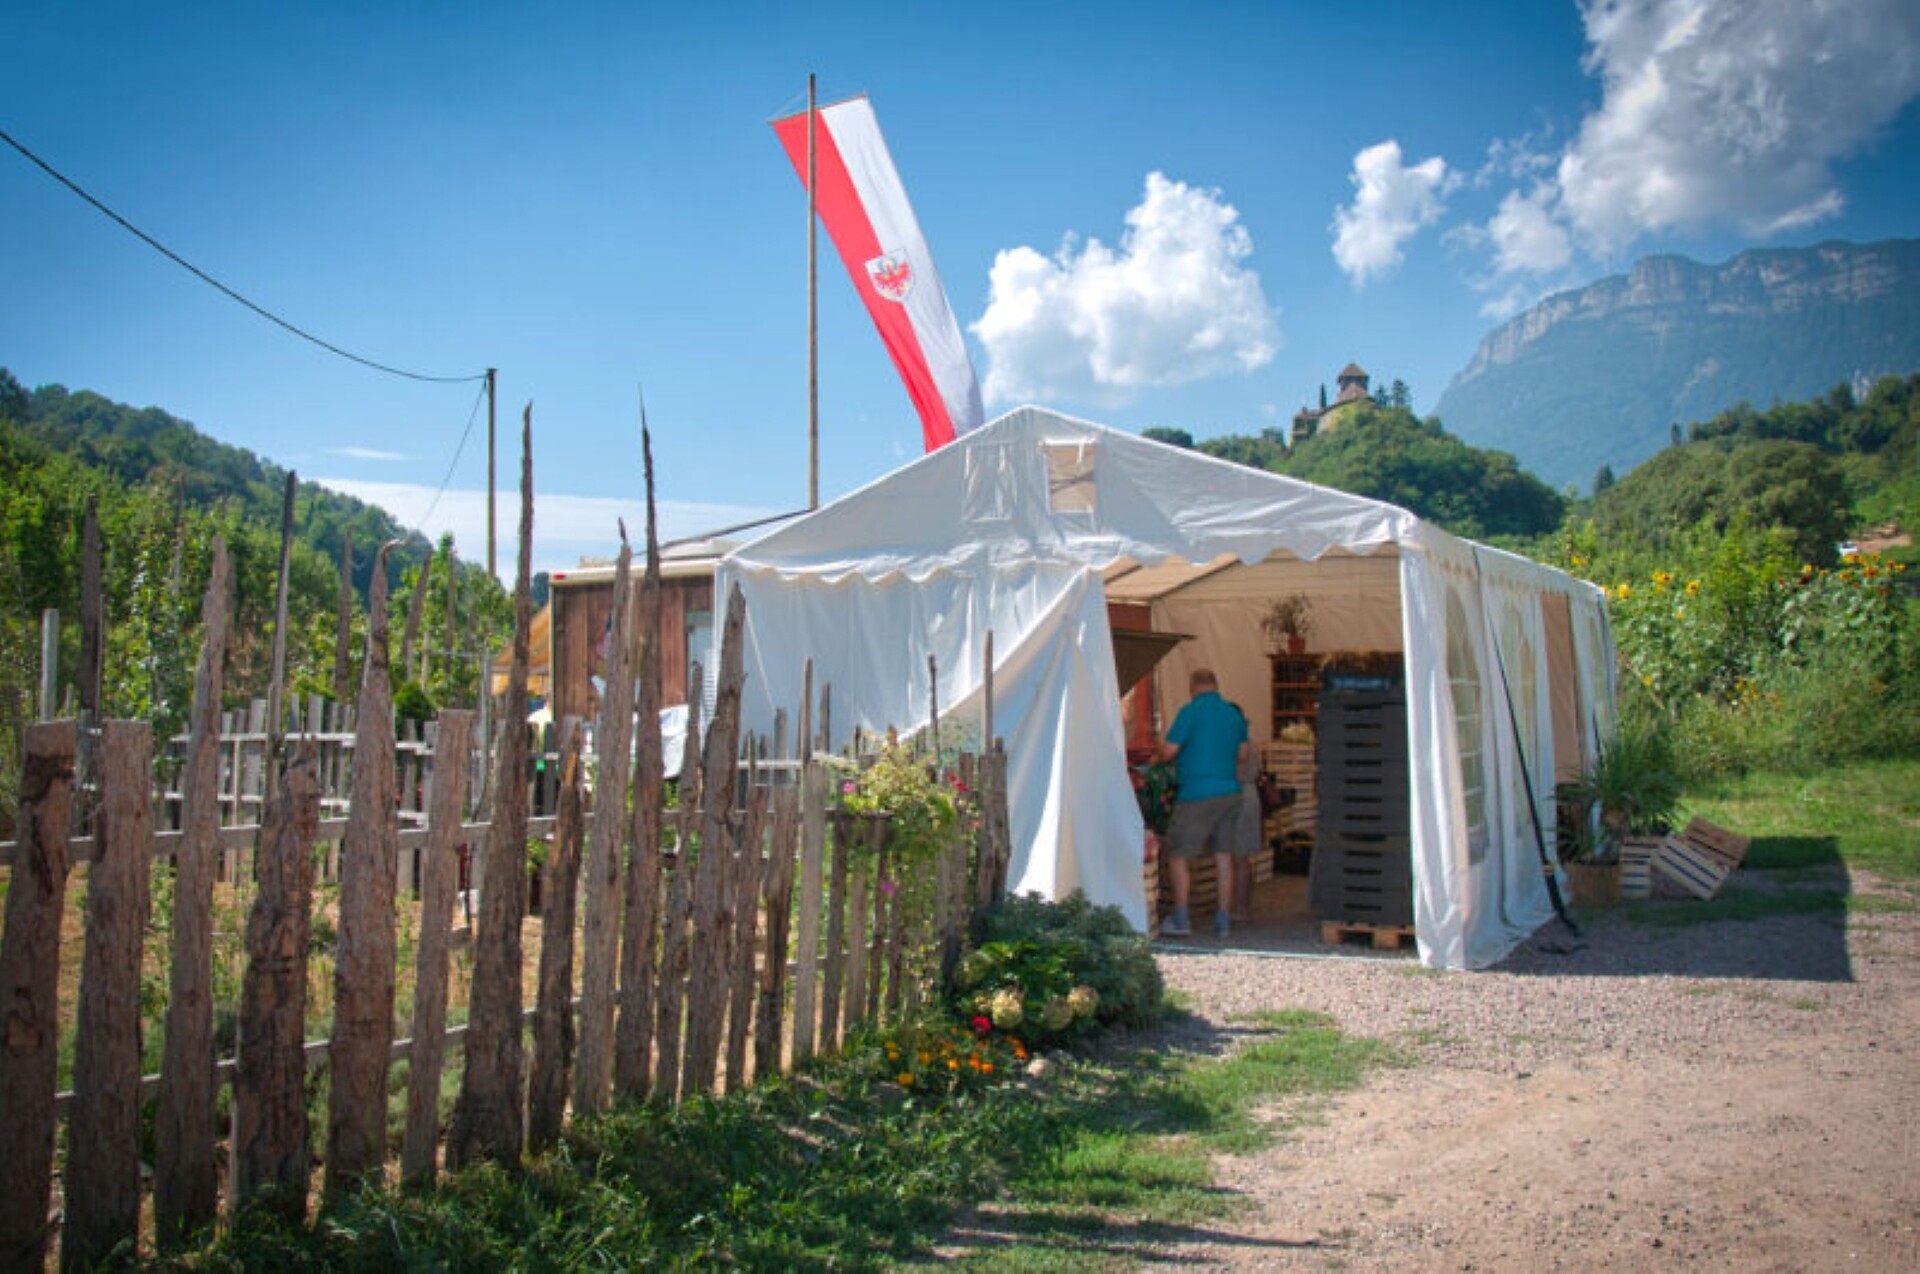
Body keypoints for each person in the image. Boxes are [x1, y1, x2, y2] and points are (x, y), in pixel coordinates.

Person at [1156, 668, 1250, 937]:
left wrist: (1159, 751)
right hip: (1229, 792)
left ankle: (1181, 917)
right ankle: (1222, 920)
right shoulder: (1233, 713)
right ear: (1216, 685)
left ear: (1192, 686)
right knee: (1223, 857)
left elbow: (1170, 750)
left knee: (1178, 855)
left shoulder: (1190, 711)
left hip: (1196, 793)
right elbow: (1243, 754)